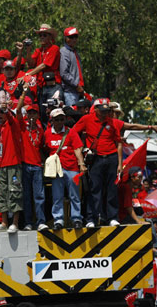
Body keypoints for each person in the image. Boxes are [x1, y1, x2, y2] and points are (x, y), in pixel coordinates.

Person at [73, 98, 123, 227]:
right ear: (95, 110)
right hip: (95, 159)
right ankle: (91, 219)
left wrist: (119, 163)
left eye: (106, 111)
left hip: (111, 157)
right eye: (102, 111)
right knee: (95, 190)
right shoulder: (87, 119)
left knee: (112, 189)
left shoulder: (111, 122)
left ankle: (112, 217)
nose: (105, 113)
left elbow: (118, 142)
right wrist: (81, 150)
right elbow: (73, 133)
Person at [44, 108, 86, 230]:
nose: (60, 122)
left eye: (62, 119)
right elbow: (45, 149)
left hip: (72, 168)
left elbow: (77, 148)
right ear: (52, 121)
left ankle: (76, 218)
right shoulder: (47, 133)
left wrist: (81, 164)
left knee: (75, 195)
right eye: (57, 120)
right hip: (56, 171)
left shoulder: (70, 132)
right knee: (57, 196)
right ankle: (58, 220)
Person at [0, 94, 23, 234]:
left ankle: (15, 223)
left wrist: (6, 109)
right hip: (3, 166)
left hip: (14, 164)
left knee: (15, 192)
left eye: (1, 113)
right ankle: (4, 222)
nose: (0, 115)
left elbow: (10, 117)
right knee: (2, 193)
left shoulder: (12, 124)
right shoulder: (2, 128)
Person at [16, 84, 46, 230]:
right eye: (30, 113)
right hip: (25, 165)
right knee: (27, 196)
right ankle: (28, 222)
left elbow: (42, 148)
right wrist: (23, 94)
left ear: (37, 115)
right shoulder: (23, 126)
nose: (32, 116)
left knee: (39, 196)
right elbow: (17, 111)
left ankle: (41, 221)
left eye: (34, 113)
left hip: (37, 166)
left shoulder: (40, 129)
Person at [59, 27, 85, 106]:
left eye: (75, 37)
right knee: (72, 115)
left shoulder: (74, 52)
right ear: (65, 38)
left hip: (78, 90)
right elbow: (64, 73)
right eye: (71, 37)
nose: (74, 39)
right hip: (70, 91)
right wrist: (76, 85)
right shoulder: (64, 52)